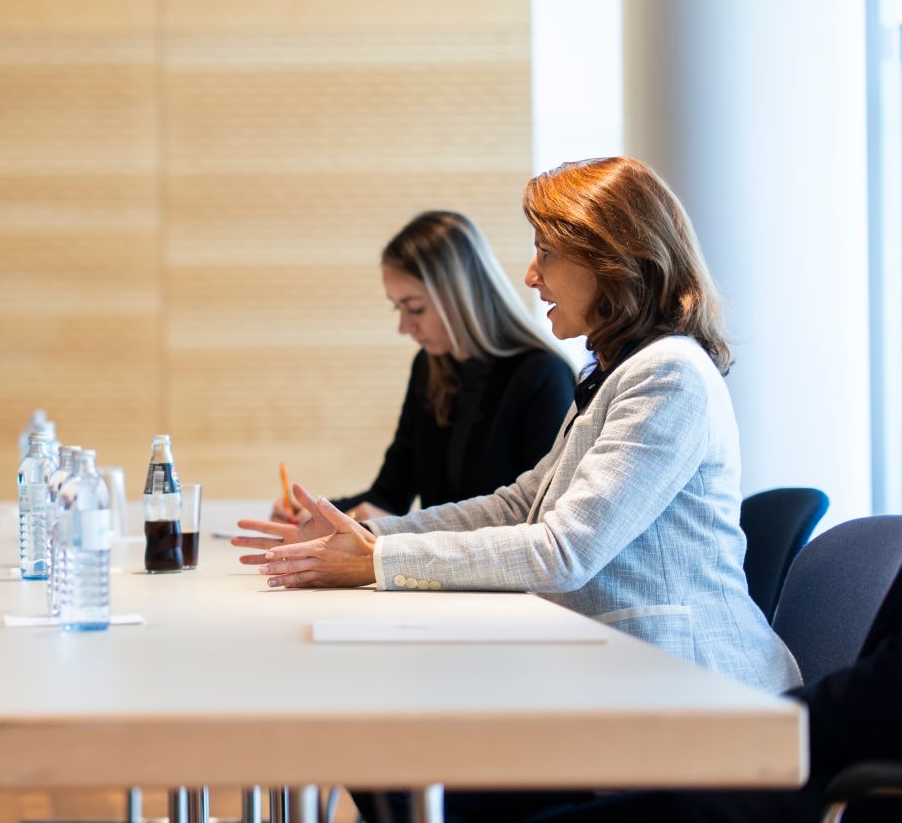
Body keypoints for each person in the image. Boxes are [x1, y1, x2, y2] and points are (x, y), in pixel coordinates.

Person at [238, 157, 799, 691]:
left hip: (694, 686)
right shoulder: (617, 370)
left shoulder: (668, 375)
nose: (531, 276)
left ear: (610, 260)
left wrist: (375, 560)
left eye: (545, 253)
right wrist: (365, 538)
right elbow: (517, 505)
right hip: (619, 670)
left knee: (408, 741)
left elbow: (563, 552)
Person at [476, 565, 902, 823]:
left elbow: (882, 699)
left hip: (855, 793)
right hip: (820, 751)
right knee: (492, 793)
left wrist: (726, 740)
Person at [277, 210, 574, 523]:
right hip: (432, 566)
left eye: (415, 309)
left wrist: (394, 528)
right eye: (398, 308)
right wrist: (316, 512)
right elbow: (390, 495)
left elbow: (535, 518)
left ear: (459, 297)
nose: (404, 327)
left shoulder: (544, 377)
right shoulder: (430, 367)